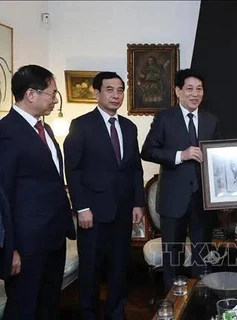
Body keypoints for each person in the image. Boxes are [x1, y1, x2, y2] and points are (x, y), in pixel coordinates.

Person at [64, 72, 145, 320]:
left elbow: (135, 169)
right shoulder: (81, 125)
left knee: (120, 266)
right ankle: (88, 314)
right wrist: (81, 207)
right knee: (90, 268)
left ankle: (116, 312)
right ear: (96, 93)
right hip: (93, 212)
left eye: (120, 90)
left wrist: (138, 203)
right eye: (109, 90)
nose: (116, 95)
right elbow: (73, 169)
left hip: (122, 210)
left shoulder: (129, 127)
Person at [0, 64, 76, 320]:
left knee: (48, 305)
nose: (55, 99)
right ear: (31, 94)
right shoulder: (6, 133)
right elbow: (3, 197)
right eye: (52, 93)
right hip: (26, 243)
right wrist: (9, 248)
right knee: (23, 308)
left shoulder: (46, 129)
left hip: (53, 237)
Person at [141, 68, 220, 290]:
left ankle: (200, 297)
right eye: (189, 89)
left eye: (199, 89)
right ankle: (172, 302)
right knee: (172, 255)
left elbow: (216, 158)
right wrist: (180, 155)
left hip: (203, 201)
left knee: (202, 254)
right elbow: (147, 150)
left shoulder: (211, 120)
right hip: (173, 199)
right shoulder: (164, 118)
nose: (195, 94)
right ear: (178, 91)